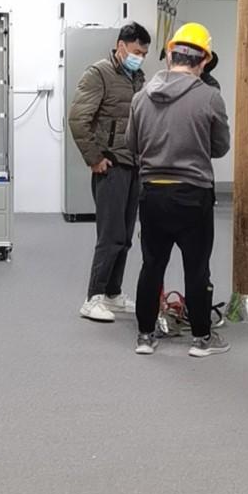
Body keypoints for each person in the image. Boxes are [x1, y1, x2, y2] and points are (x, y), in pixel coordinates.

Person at [126, 22, 231, 357]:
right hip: (193, 194)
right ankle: (201, 339)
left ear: (170, 55)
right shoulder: (210, 97)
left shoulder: (141, 97)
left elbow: (132, 144)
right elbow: (220, 147)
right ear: (204, 60)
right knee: (196, 268)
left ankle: (145, 336)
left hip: (152, 194)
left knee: (152, 265)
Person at [68, 21, 151, 322]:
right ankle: (93, 297)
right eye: (136, 51)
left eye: (144, 54)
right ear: (121, 46)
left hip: (134, 165)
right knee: (110, 234)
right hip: (111, 165)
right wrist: (94, 158)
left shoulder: (138, 78)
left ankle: (113, 294)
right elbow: (78, 119)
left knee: (126, 235)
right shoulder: (98, 73)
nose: (140, 57)